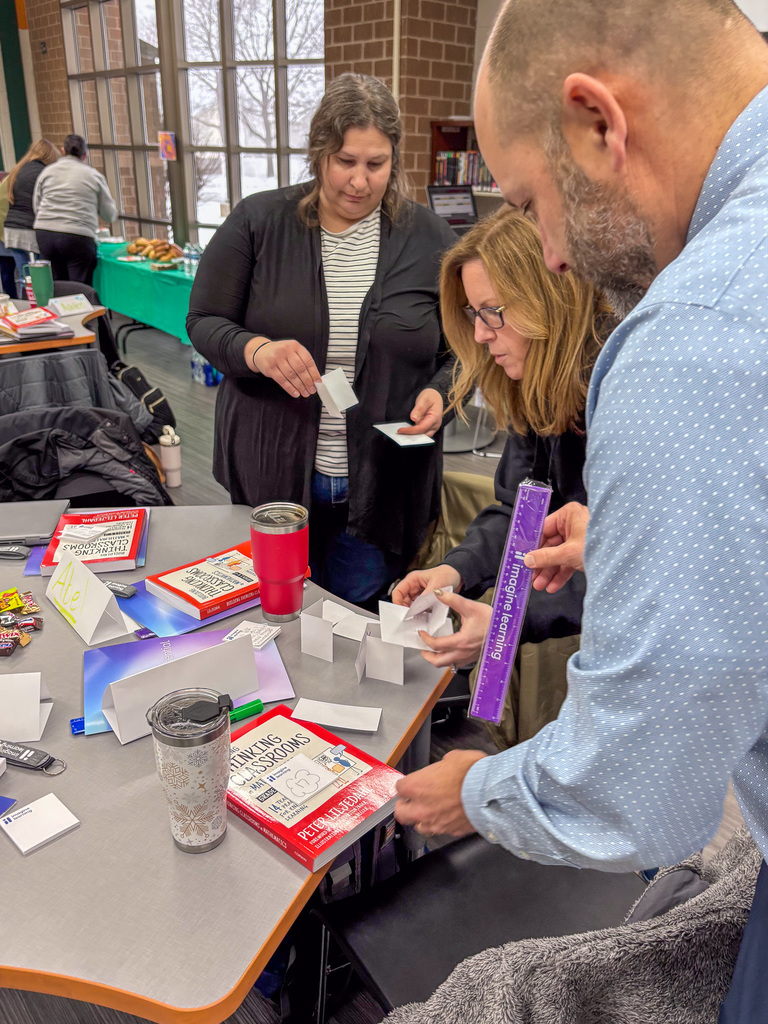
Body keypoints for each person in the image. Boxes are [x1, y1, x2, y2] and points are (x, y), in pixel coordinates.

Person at [392, 2, 768, 1016]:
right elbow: (530, 533)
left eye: (530, 201)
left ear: (599, 124)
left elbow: (647, 759)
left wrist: (482, 784)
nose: (551, 249)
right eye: (469, 320)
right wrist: (479, 598)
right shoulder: (531, 390)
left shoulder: (668, 342)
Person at [187, 74, 456, 607]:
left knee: (355, 620)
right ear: (319, 155)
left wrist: (443, 392)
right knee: (275, 615)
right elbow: (204, 321)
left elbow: (464, 353)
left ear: (394, 161)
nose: (359, 181)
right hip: (275, 472)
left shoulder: (431, 239)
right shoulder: (258, 222)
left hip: (380, 486)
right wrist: (257, 351)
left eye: (375, 164)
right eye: (344, 161)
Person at [393, 206, 612, 745]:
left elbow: (634, 569)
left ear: (546, 300)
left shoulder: (619, 393)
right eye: (472, 313)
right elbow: (520, 512)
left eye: (492, 312)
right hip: (536, 633)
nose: (481, 334)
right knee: (497, 746)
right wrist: (454, 573)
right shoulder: (534, 381)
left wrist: (506, 623)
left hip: (602, 662)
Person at [33, 133, 117, 285]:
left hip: (45, 234)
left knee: (57, 285)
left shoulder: (47, 172)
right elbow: (109, 215)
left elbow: (36, 206)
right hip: (78, 236)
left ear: (62, 151)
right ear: (85, 155)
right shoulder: (93, 176)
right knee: (80, 288)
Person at [0, 138, 59, 297]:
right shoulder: (41, 173)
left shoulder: (18, 170)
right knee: (41, 276)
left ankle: (24, 309)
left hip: (10, 229)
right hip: (26, 229)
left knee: (24, 276)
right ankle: (43, 307)